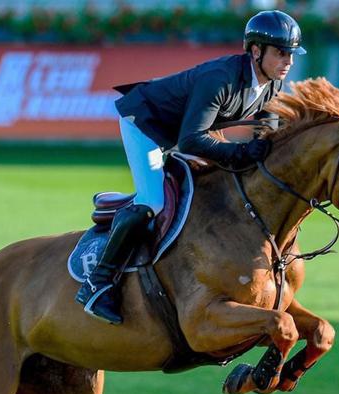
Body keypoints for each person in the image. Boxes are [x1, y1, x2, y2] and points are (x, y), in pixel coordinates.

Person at [76, 9, 306, 325]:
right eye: (281, 53)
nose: (288, 61)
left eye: (291, 54)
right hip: (145, 124)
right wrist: (240, 153)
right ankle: (98, 283)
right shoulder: (220, 78)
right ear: (256, 51)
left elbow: (266, 140)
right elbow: (191, 141)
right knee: (152, 202)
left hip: (182, 131)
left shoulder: (271, 85)